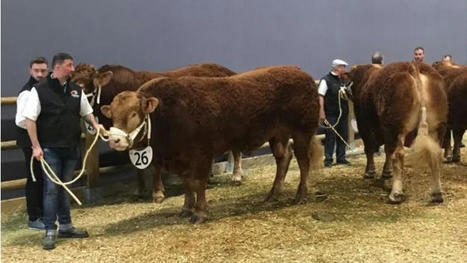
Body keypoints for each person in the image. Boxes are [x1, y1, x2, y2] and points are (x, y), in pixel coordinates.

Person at [23, 52, 102, 250]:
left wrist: (95, 124)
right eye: (69, 65)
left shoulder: (76, 90)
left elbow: (86, 111)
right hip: (50, 148)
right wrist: (36, 146)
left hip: (70, 146)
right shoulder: (39, 90)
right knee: (51, 190)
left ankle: (66, 226)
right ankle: (50, 229)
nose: (73, 69)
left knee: (65, 187)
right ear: (58, 67)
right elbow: (29, 119)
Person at [15, 57, 49, 230]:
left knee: (42, 178)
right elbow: (22, 120)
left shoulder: (42, 89)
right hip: (29, 141)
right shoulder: (27, 92)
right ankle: (34, 217)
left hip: (39, 140)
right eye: (36, 70)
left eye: (43, 70)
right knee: (34, 178)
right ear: (30, 70)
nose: (40, 74)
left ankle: (43, 213)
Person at [318, 59, 351, 167]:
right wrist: (321, 112)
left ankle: (341, 157)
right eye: (342, 67)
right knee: (330, 137)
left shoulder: (342, 81)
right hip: (331, 114)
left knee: (343, 135)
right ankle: (328, 159)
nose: (344, 69)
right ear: (336, 68)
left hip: (343, 114)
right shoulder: (326, 80)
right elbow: (321, 96)